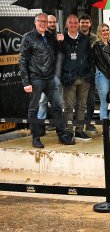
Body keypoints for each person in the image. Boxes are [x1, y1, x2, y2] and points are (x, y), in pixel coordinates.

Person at [19, 13, 72, 148]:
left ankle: (62, 135)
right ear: (35, 22)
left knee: (57, 106)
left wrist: (61, 41)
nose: (43, 24)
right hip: (36, 78)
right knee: (34, 108)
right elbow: (22, 60)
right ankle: (36, 137)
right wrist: (26, 82)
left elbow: (60, 53)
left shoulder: (50, 36)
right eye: (40, 21)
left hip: (51, 78)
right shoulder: (28, 38)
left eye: (45, 21)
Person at [60, 14, 94, 142]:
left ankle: (79, 131)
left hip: (84, 78)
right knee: (68, 107)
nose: (74, 25)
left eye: (75, 23)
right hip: (68, 78)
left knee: (82, 106)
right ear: (66, 24)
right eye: (71, 23)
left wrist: (90, 73)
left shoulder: (85, 39)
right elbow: (59, 59)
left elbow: (90, 58)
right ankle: (69, 131)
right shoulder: (62, 39)